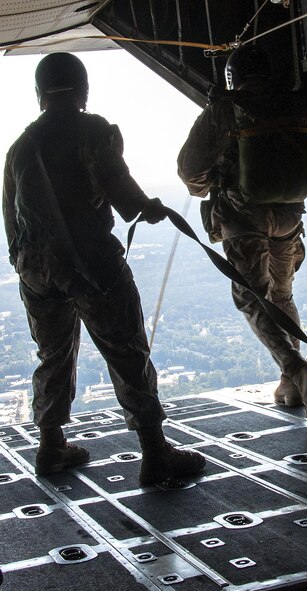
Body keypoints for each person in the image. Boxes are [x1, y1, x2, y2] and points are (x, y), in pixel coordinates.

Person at [2, 53, 205, 485]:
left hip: (35, 271)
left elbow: (11, 221)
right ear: (83, 89)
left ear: (39, 94)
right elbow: (122, 193)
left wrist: (32, 268)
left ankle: (51, 445)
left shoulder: (19, 148)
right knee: (126, 350)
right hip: (90, 261)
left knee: (52, 354)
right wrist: (147, 207)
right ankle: (155, 453)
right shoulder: (92, 130)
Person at [177, 44, 307, 428]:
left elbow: (189, 170)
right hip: (289, 217)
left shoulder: (224, 108)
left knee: (252, 298)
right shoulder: (295, 104)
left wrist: (207, 188)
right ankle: (291, 384)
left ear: (233, 77)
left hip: (242, 216)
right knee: (282, 294)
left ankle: (296, 370)